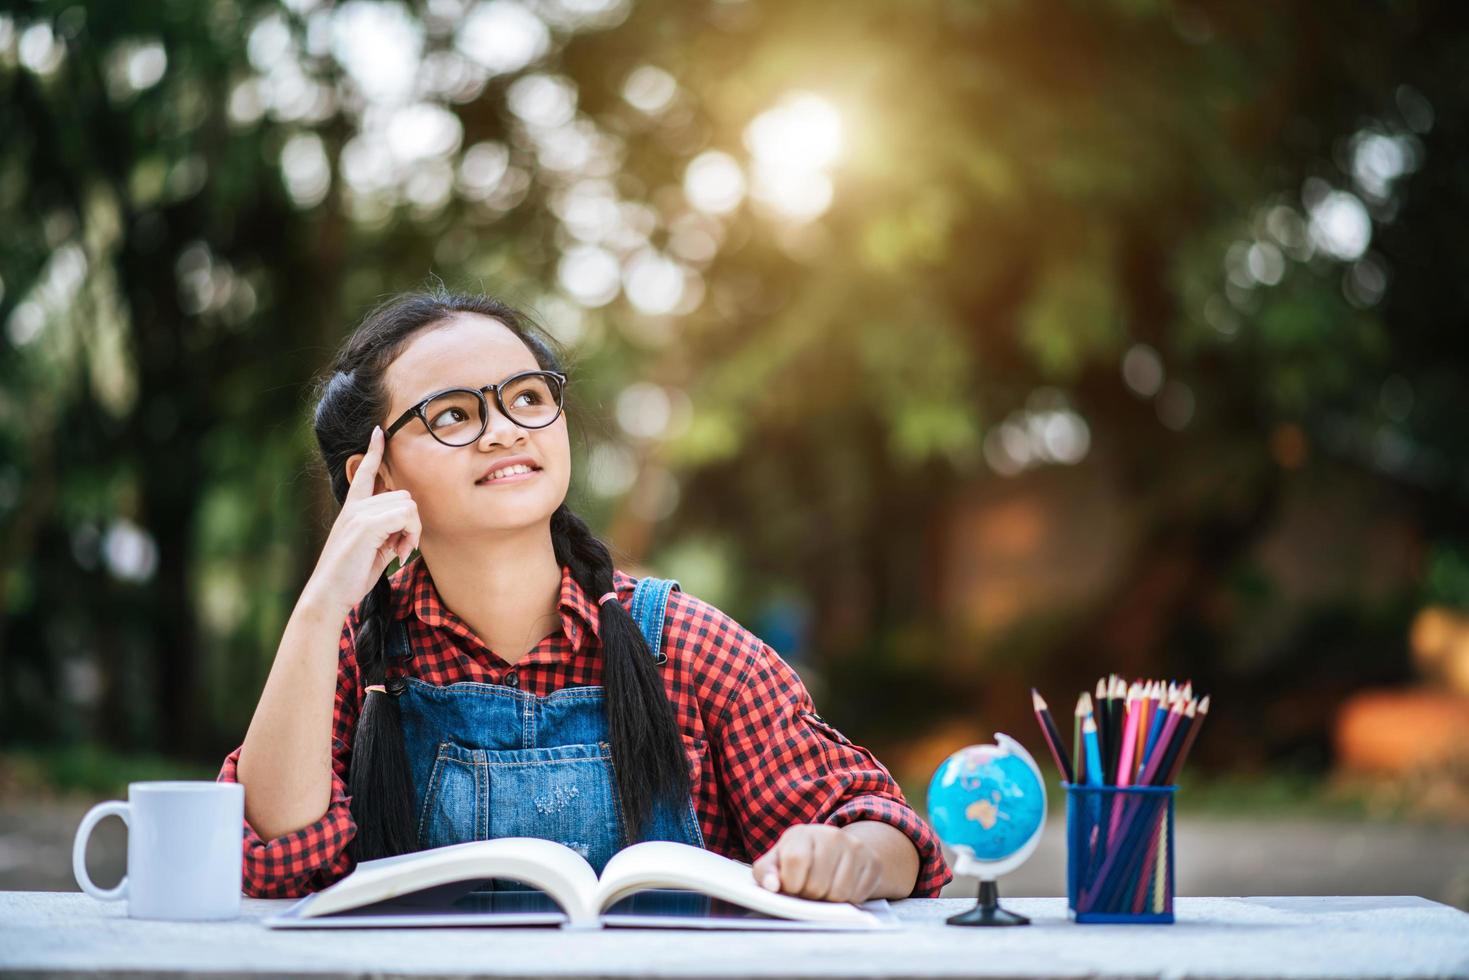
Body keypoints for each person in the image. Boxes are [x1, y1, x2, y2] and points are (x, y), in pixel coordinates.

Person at [216, 287, 953, 903]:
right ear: (375, 477)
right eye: (452, 414)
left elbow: (882, 825)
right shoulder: (350, 658)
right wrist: (320, 607)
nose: (503, 430)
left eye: (526, 397)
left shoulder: (687, 647)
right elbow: (276, 863)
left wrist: (848, 858)